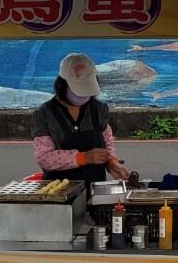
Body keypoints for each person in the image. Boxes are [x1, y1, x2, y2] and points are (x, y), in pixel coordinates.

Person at [31, 53, 129, 185]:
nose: (84, 95)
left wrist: (111, 162)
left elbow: (107, 141)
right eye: (78, 90)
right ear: (62, 84)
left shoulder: (99, 109)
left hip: (95, 186)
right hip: (59, 188)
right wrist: (82, 157)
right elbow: (44, 158)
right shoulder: (44, 114)